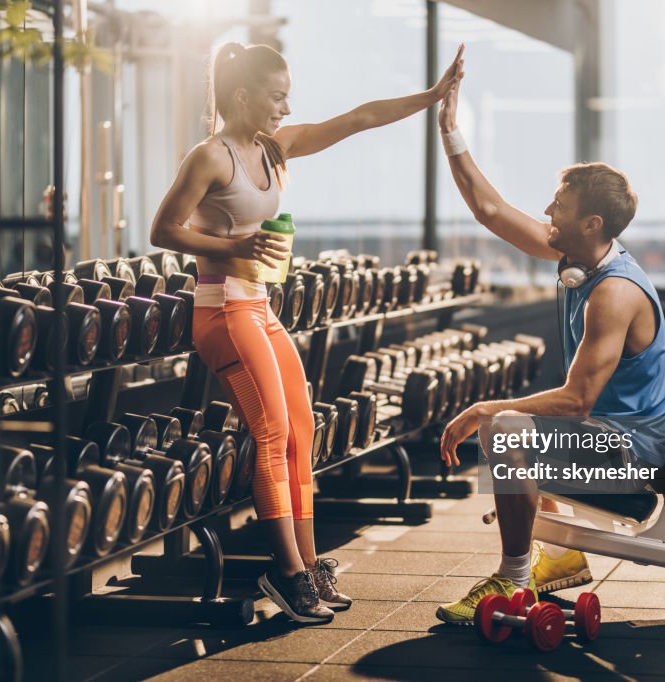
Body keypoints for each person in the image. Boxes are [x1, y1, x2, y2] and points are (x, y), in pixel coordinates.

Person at [150, 42, 465, 624]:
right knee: (272, 433)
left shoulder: (273, 148)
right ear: (242, 96)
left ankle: (310, 565)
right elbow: (162, 230)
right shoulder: (210, 157)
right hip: (221, 310)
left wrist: (432, 95)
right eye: (276, 96)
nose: (286, 107)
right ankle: (287, 573)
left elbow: (358, 119)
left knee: (303, 426)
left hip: (261, 306)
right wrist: (234, 246)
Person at [433, 58, 665, 625]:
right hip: (601, 438)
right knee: (515, 427)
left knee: (508, 427)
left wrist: (484, 408)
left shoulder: (613, 294)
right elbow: (490, 210)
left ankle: (515, 577)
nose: (546, 211)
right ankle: (557, 558)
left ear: (592, 224)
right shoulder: (576, 261)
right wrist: (449, 128)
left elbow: (575, 402)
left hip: (630, 459)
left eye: (559, 207)